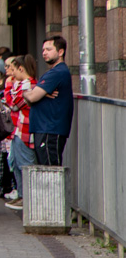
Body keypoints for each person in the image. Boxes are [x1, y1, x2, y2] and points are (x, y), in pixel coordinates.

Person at [25, 35, 73, 165]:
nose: (44, 53)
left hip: (49, 130)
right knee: (46, 172)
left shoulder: (57, 72)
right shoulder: (54, 72)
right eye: (43, 50)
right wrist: (35, 94)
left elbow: (32, 97)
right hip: (45, 128)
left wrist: (29, 93)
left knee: (50, 172)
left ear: (61, 51)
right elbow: (30, 100)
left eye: (48, 49)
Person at [0, 53, 38, 208]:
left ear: (21, 68)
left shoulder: (29, 85)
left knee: (25, 164)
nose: (11, 73)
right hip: (19, 130)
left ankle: (27, 197)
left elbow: (13, 103)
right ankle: (22, 194)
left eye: (13, 69)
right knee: (16, 163)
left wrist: (7, 86)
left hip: (25, 130)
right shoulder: (23, 84)